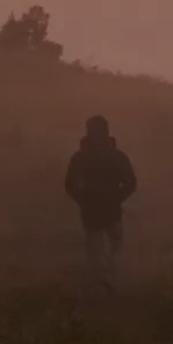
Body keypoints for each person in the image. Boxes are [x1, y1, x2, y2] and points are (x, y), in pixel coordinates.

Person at [65, 115, 137, 281]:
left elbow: (69, 184)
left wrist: (82, 199)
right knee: (115, 246)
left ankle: (97, 284)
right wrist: (118, 198)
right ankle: (109, 278)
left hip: (91, 210)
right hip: (111, 210)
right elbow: (130, 183)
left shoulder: (80, 157)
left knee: (95, 253)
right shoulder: (117, 156)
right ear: (107, 131)